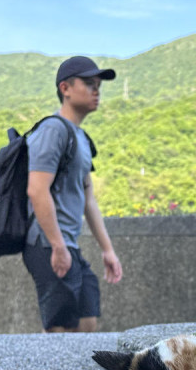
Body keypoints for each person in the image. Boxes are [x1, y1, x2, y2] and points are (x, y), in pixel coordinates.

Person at [21, 56, 124, 333]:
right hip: (46, 243)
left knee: (86, 321)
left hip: (68, 244)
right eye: (89, 84)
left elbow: (88, 199)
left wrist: (108, 250)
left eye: (98, 85)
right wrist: (57, 246)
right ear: (65, 88)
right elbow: (36, 189)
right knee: (61, 330)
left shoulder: (79, 138)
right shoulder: (52, 130)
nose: (96, 90)